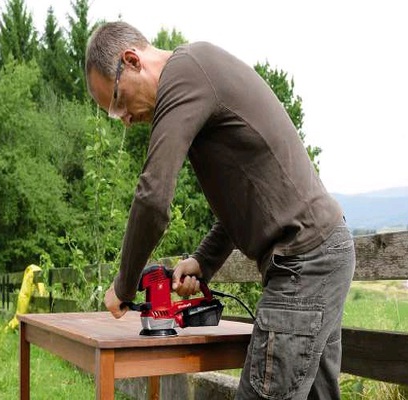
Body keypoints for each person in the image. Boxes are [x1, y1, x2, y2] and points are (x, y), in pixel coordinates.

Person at [85, 21, 355, 400]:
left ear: (131, 61)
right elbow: (250, 196)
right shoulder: (197, 74)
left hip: (304, 263)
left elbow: (153, 198)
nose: (124, 119)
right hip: (324, 252)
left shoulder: (183, 76)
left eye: (116, 102)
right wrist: (203, 261)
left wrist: (124, 286)